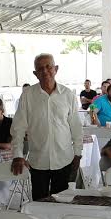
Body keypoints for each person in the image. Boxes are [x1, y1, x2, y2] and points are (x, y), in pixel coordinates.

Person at [10, 53, 83, 200]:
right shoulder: (27, 95)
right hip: (38, 161)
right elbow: (18, 128)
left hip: (65, 159)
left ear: (56, 69)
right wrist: (18, 155)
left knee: (62, 203)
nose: (45, 71)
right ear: (35, 73)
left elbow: (76, 126)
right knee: (39, 204)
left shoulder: (68, 95)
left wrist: (78, 153)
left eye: (48, 67)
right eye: (40, 68)